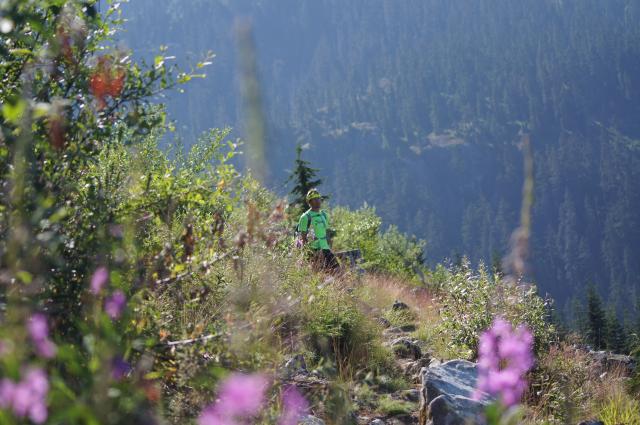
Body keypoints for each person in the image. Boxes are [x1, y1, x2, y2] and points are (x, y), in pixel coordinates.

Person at [297, 189, 340, 272]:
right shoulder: (305, 217)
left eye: (319, 198)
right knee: (319, 275)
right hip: (313, 251)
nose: (318, 201)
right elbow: (303, 238)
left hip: (325, 249)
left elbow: (327, 232)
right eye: (315, 199)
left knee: (337, 270)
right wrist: (309, 253)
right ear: (310, 202)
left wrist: (330, 246)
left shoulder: (324, 215)